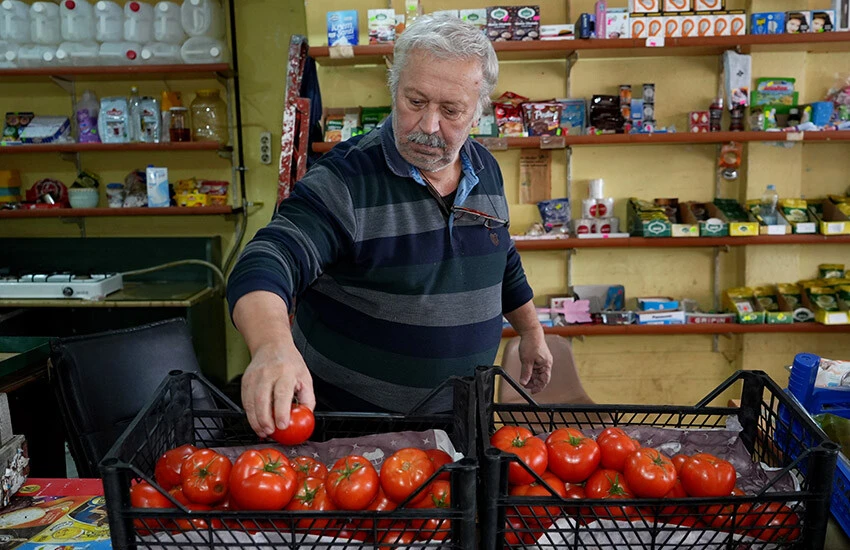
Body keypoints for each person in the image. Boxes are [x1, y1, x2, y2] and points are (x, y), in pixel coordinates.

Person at [227, 14, 553, 438]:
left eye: (451, 110)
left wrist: (530, 330)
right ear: (394, 87)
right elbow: (268, 259)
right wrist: (272, 345)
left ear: (478, 111)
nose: (429, 126)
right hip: (354, 441)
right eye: (415, 101)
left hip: (461, 424)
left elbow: (499, 256)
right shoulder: (344, 181)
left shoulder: (485, 168)